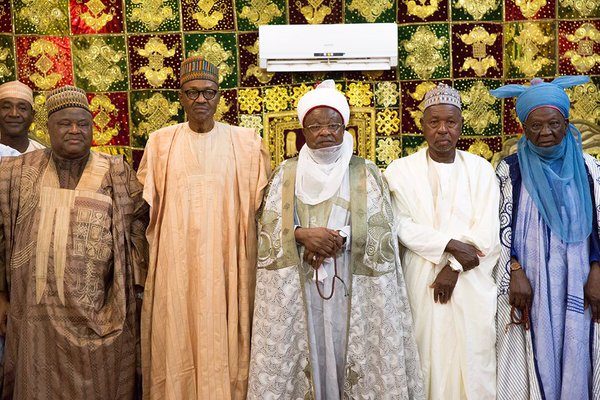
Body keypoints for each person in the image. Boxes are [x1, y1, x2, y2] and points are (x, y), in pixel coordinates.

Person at [247, 80, 424, 400]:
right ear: (303, 130)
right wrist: (301, 236)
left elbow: (382, 226)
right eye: (315, 126)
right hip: (300, 285)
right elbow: (268, 227)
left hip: (351, 286)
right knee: (310, 350)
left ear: (345, 127)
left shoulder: (365, 171)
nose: (325, 132)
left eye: (333, 125)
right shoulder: (286, 173)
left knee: (347, 352)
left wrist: (336, 239)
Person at [0, 85, 148, 399]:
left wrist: (135, 289)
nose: (74, 130)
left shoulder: (116, 171)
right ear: (47, 127)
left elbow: (138, 230)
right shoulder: (14, 173)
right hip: (35, 317)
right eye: (65, 124)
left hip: (99, 313)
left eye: (82, 124)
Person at [137, 56, 270, 400]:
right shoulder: (161, 143)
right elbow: (144, 208)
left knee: (226, 335)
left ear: (219, 96)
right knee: (178, 332)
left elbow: (266, 207)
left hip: (230, 262)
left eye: (208, 93)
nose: (200, 100)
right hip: (176, 262)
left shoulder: (246, 143)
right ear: (179, 96)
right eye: (192, 92)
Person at [384, 83, 500, 400]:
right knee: (425, 355)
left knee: (472, 360)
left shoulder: (481, 170)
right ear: (421, 125)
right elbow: (400, 225)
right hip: (421, 278)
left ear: (462, 125)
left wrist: (452, 267)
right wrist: (450, 244)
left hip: (470, 280)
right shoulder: (399, 171)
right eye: (434, 122)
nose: (442, 130)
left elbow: (487, 232)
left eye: (450, 122)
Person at [491, 76, 600, 400]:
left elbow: (598, 224)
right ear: (523, 127)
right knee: (534, 355)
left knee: (578, 348)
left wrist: (596, 270)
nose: (545, 133)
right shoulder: (509, 172)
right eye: (535, 126)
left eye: (553, 123)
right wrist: (515, 271)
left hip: (581, 282)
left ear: (566, 123)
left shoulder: (589, 169)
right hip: (530, 286)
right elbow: (496, 227)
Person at [0, 80, 45, 153]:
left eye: (22, 108)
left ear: (32, 115)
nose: (14, 114)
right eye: (6, 107)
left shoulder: (43, 157)